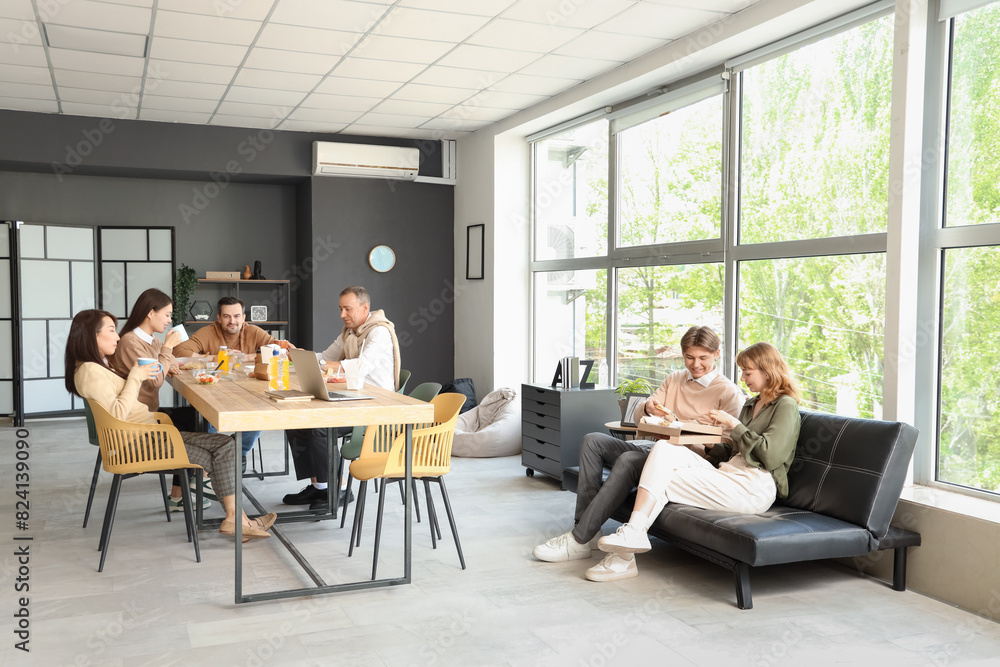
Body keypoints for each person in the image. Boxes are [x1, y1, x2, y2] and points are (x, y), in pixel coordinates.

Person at [532, 326, 745, 580]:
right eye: (689, 357)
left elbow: (728, 446)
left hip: (687, 462)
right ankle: (585, 531)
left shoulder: (728, 392)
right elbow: (637, 417)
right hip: (654, 448)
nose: (695, 364)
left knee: (630, 459)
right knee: (593, 441)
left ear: (716, 354)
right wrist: (647, 407)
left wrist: (691, 437)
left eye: (703, 358)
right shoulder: (675, 379)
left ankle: (577, 540)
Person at [591, 341, 802, 581]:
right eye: (743, 371)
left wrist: (734, 425)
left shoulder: (786, 405)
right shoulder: (752, 403)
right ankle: (633, 535)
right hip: (729, 474)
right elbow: (735, 452)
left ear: (767, 370)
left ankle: (624, 557)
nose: (743, 378)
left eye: (747, 372)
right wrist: (711, 445)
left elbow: (770, 456)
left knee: (660, 479)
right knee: (664, 449)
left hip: (754, 485)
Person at [65, 309, 275, 541]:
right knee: (219, 454)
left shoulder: (98, 366)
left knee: (225, 445)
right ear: (90, 335)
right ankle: (239, 521)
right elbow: (117, 414)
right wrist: (135, 377)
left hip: (149, 435)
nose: (117, 337)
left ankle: (237, 520)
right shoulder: (90, 372)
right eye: (111, 331)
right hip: (134, 445)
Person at [283, 286, 401, 511]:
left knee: (320, 428)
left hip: (375, 406)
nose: (342, 315)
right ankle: (319, 487)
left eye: (347, 309)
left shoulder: (380, 332)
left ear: (365, 308)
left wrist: (319, 364)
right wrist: (297, 353)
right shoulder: (350, 333)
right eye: (340, 309)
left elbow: (361, 366)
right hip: (353, 397)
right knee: (295, 421)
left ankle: (340, 490)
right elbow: (325, 357)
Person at [111, 288, 204, 512]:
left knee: (195, 419)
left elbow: (160, 367)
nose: (169, 320)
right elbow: (155, 382)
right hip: (138, 419)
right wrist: (168, 348)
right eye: (167, 314)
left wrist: (167, 362)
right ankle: (187, 488)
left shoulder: (150, 340)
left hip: (147, 411)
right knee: (193, 422)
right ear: (150, 313)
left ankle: (188, 486)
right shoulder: (131, 342)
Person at [174, 296, 294, 469]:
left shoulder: (252, 331)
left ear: (244, 318)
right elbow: (179, 351)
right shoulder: (208, 331)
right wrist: (213, 357)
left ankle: (237, 452)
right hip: (212, 392)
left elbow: (278, 348)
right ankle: (216, 455)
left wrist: (252, 356)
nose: (232, 321)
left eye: (237, 316)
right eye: (227, 316)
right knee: (206, 413)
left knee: (259, 413)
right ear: (219, 318)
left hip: (248, 392)